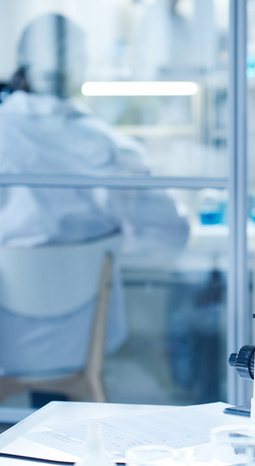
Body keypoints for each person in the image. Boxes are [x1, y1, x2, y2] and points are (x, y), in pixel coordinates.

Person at [0, 14, 190, 386]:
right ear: (79, 69)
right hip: (82, 345)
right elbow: (173, 235)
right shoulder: (105, 145)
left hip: (5, 343)